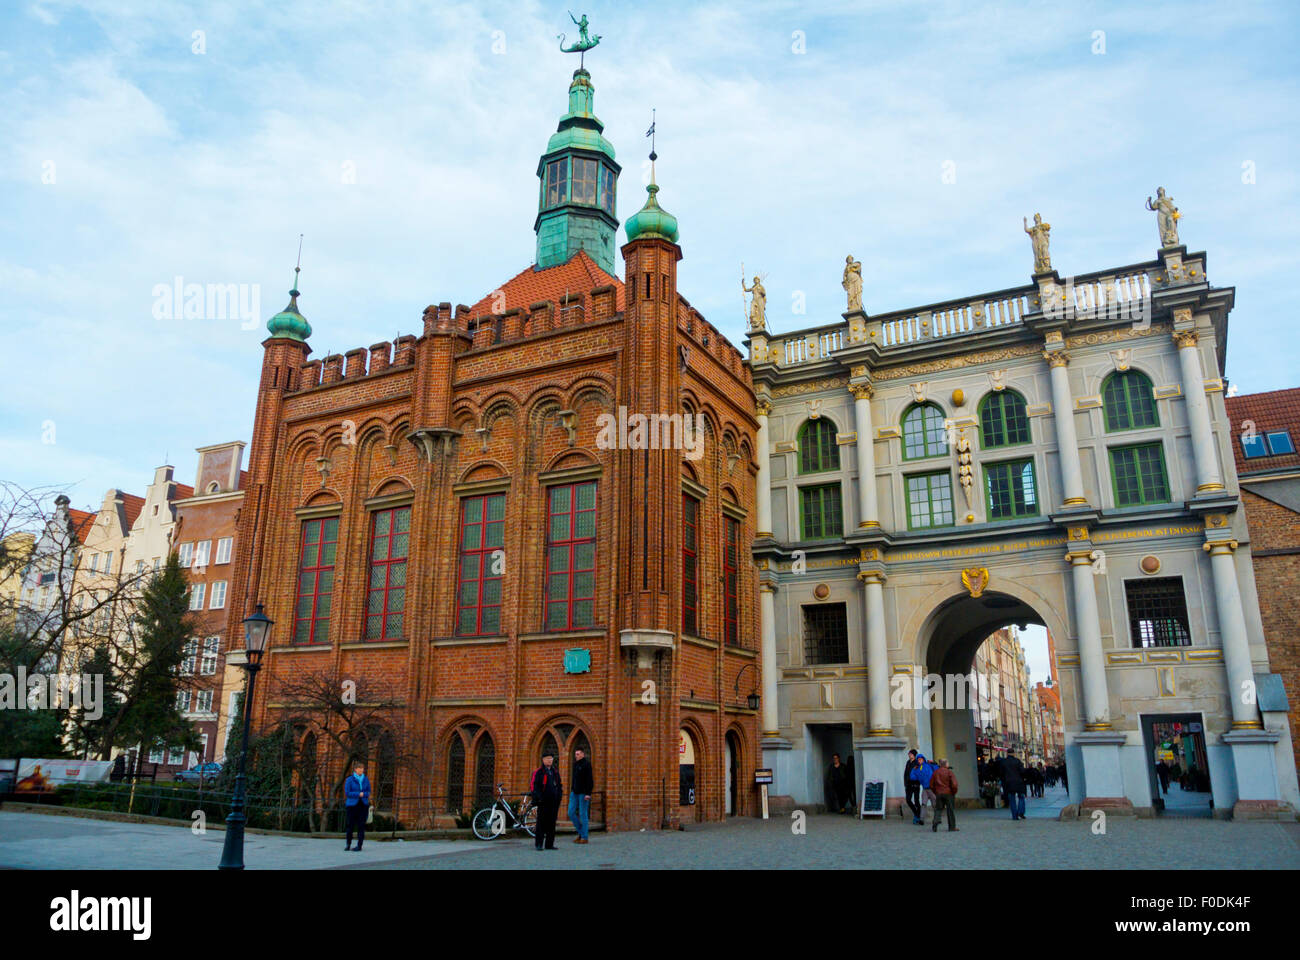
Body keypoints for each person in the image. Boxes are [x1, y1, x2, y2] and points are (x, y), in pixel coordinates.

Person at [530, 750, 563, 851]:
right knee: (541, 823)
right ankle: (539, 844)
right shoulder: (539, 772)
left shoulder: (555, 771)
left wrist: (559, 796)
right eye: (547, 758)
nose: (549, 760)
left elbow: (559, 785)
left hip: (554, 802)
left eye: (551, 758)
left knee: (551, 823)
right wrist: (539, 798)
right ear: (543, 760)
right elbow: (534, 786)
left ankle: (549, 844)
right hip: (543, 802)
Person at [344, 761, 371, 851]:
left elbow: (368, 791)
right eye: (360, 768)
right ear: (355, 769)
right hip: (352, 805)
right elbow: (348, 793)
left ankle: (359, 845)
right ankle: (348, 844)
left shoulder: (366, 779)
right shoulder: (350, 780)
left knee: (361, 826)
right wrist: (358, 794)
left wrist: (364, 794)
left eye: (362, 768)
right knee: (350, 825)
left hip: (363, 805)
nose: (361, 770)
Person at [569, 747, 593, 844]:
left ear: (583, 754)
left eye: (578, 754)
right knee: (570, 812)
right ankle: (581, 832)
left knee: (583, 815)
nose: (576, 756)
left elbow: (590, 780)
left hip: (583, 793)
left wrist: (588, 793)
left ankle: (584, 837)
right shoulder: (575, 765)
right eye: (576, 754)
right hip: (574, 792)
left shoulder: (586, 764)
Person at [930, 759, 959, 832]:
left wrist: (936, 792)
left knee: (938, 809)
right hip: (948, 793)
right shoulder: (949, 772)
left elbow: (931, 785)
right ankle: (952, 827)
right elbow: (954, 784)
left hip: (939, 793)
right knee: (950, 810)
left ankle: (936, 821)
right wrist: (953, 792)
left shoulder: (935, 772)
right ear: (946, 764)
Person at [910, 753, 938, 823]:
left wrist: (934, 763)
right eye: (918, 760)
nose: (919, 761)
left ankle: (937, 818)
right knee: (923, 804)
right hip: (925, 789)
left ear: (923, 759)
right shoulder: (917, 768)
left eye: (920, 759)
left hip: (931, 788)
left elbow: (937, 769)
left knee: (934, 804)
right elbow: (912, 777)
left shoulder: (928, 765)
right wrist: (913, 770)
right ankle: (922, 819)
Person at [1001, 750, 1027, 820]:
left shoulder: (1004, 762)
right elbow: (1022, 771)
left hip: (1008, 782)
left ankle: (1014, 816)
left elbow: (1001, 773)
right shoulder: (1017, 761)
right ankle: (1020, 811)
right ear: (1013, 753)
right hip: (1018, 781)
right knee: (1021, 797)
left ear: (1007, 753)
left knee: (1012, 799)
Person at [904, 749, 922, 824]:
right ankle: (916, 813)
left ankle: (918, 815)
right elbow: (906, 773)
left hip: (915, 784)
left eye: (910, 754)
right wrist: (905, 782)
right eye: (909, 753)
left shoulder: (917, 763)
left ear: (914, 755)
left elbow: (919, 773)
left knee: (916, 801)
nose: (909, 755)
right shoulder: (908, 762)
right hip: (908, 784)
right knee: (908, 800)